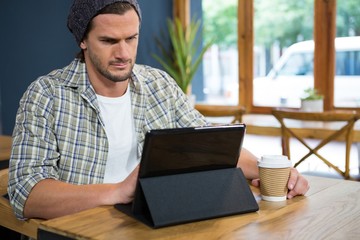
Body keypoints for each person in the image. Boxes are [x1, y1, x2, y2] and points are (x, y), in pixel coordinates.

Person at [8, 0, 309, 220]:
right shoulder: (46, 95)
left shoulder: (158, 84)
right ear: (83, 40)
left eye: (131, 38)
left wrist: (274, 173)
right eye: (109, 41)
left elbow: (211, 143)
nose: (123, 53)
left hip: (154, 224)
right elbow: (26, 193)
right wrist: (117, 191)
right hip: (82, 231)